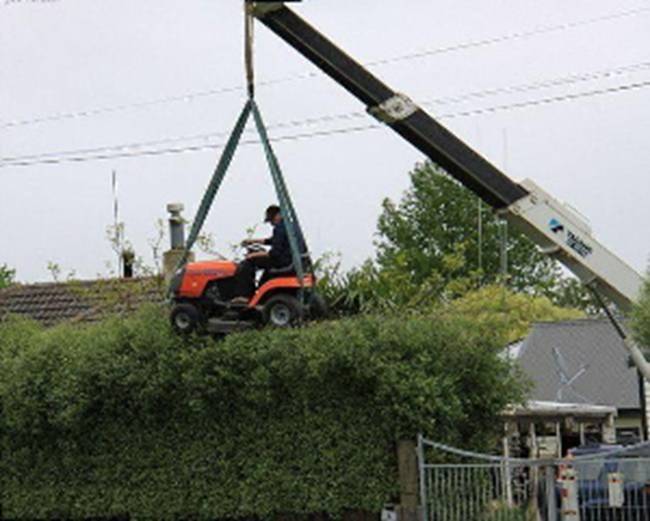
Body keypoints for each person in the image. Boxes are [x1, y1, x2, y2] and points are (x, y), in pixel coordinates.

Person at [231, 205, 305, 302]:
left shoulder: (279, 228)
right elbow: (273, 240)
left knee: (247, 263)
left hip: (284, 261)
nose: (271, 223)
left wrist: (253, 255)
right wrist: (253, 241)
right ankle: (259, 291)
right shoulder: (291, 226)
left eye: (271, 220)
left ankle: (244, 295)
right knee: (262, 263)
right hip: (293, 261)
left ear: (278, 215)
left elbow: (274, 253)